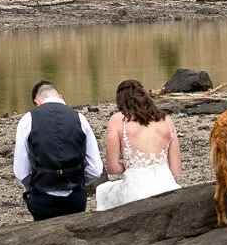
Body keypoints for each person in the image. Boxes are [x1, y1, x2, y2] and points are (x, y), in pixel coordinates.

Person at [12, 80, 102, 220]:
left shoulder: (27, 120)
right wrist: (79, 182)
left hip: (42, 199)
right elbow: (96, 169)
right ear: (60, 96)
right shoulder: (80, 119)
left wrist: (36, 185)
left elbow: (20, 171)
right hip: (75, 199)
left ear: (37, 102)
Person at [94, 78, 182, 211]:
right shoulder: (167, 120)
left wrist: (133, 167)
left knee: (102, 191)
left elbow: (112, 168)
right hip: (166, 184)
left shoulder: (118, 120)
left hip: (135, 188)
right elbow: (176, 169)